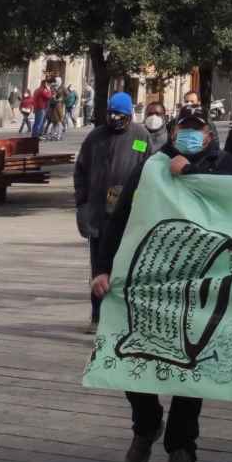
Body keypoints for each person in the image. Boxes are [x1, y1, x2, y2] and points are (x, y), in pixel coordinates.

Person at [94, 106, 232, 462]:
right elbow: (120, 217)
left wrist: (191, 174)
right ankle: (146, 424)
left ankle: (181, 448)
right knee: (128, 351)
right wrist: (102, 268)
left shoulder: (225, 164)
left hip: (200, 282)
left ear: (208, 135)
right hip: (150, 277)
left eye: (197, 129)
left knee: (191, 365)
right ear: (174, 134)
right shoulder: (151, 167)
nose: (190, 135)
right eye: (184, 129)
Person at [73, 92, 154, 334]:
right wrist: (82, 202)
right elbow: (81, 169)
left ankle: (123, 316)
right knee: (99, 266)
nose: (115, 119)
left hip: (128, 216)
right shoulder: (95, 137)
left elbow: (148, 168)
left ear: (129, 116)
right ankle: (97, 315)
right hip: (98, 215)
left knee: (127, 267)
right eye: (111, 114)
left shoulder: (140, 137)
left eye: (120, 115)